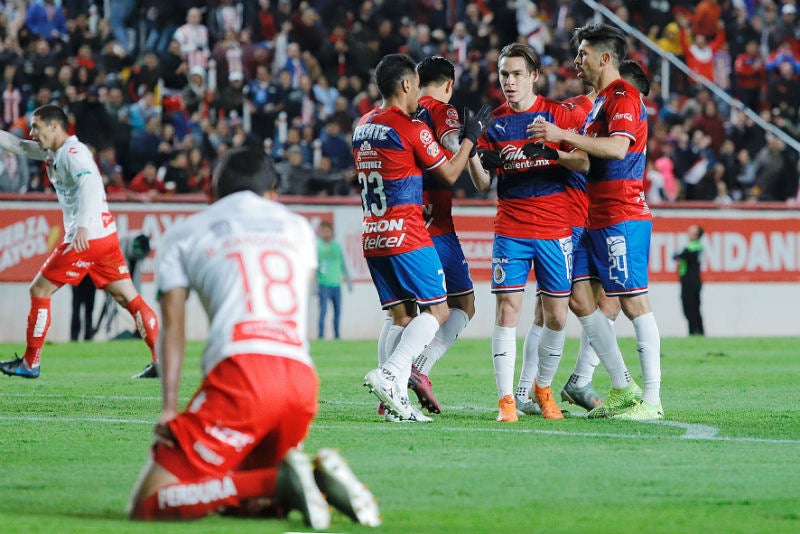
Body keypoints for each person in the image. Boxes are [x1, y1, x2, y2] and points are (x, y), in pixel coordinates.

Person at [127, 145, 380, 528]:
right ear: (274, 193)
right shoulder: (298, 227)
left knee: (148, 503)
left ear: (211, 192)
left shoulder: (186, 231)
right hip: (300, 381)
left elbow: (173, 327)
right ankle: (308, 480)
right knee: (250, 504)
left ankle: (281, 481)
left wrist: (169, 407)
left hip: (241, 376)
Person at [529, 23, 663, 421]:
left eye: (583, 54)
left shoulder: (623, 95)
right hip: (595, 216)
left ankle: (651, 401)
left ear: (604, 58)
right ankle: (623, 386)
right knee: (578, 297)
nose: (576, 61)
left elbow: (618, 149)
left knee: (634, 301)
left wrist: (560, 132)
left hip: (622, 214)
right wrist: (554, 148)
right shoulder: (602, 102)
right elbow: (589, 159)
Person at [355, 54, 489, 422]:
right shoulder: (410, 127)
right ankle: (392, 373)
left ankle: (392, 399)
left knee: (399, 315)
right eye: (413, 83)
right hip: (408, 232)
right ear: (405, 86)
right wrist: (470, 140)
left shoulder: (362, 125)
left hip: (373, 232)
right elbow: (448, 173)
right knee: (439, 310)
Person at [467, 42, 589, 422]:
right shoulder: (495, 123)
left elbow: (584, 160)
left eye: (517, 74)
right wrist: (471, 149)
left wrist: (554, 149)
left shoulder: (556, 114)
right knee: (508, 310)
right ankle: (506, 400)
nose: (510, 81)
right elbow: (481, 183)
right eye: (504, 74)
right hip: (511, 229)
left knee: (556, 316)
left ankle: (543, 389)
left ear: (534, 76)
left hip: (555, 228)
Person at [0, 105, 159, 380]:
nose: (32, 132)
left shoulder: (73, 154)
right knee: (128, 298)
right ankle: (161, 361)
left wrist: (83, 227)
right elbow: (21, 147)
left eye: (36, 126)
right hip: (105, 237)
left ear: (54, 127)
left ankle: (30, 363)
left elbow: (90, 186)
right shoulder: (55, 150)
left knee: (39, 290)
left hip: (87, 237)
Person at [391, 55, 486, 415]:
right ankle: (417, 368)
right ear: (449, 84)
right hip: (436, 225)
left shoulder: (404, 112)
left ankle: (392, 391)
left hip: (404, 218)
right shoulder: (442, 109)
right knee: (462, 305)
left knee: (402, 313)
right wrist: (470, 142)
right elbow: (450, 147)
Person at [316, 220, 351, 340]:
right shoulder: (318, 246)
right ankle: (320, 336)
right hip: (323, 284)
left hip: (336, 284)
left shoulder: (337, 246)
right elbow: (315, 266)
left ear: (331, 232)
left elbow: (343, 264)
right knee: (323, 312)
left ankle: (337, 336)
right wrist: (315, 287)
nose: (326, 234)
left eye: (328, 231)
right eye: (324, 231)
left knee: (337, 312)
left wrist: (348, 281)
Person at [674, 225, 705, 336]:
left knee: (689, 306)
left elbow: (678, 256)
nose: (689, 233)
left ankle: (693, 331)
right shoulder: (697, 247)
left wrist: (678, 256)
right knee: (695, 307)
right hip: (695, 281)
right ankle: (699, 331)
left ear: (696, 235)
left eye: (692, 232)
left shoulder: (692, 248)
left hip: (689, 282)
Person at [70, 275, 97, 342]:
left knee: (78, 311)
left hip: (80, 282)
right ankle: (87, 336)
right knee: (87, 312)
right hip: (87, 282)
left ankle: (75, 337)